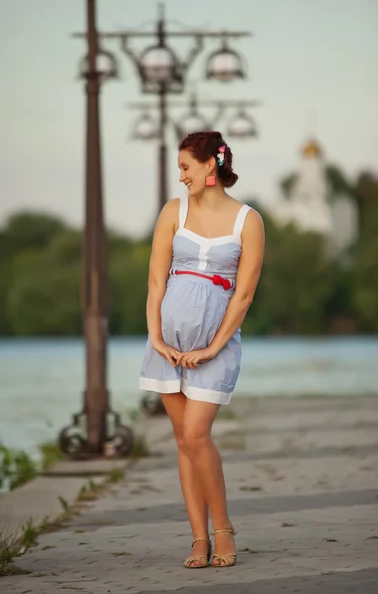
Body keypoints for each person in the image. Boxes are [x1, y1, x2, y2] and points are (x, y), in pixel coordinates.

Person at [139, 131, 264, 568]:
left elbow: (244, 295)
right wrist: (155, 336)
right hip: (168, 343)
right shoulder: (174, 211)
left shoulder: (248, 220)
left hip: (217, 343)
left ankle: (224, 530)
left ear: (211, 165)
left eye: (186, 167)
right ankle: (198, 539)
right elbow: (157, 281)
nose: (181, 176)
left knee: (196, 435)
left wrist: (213, 347)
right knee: (183, 440)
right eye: (179, 168)